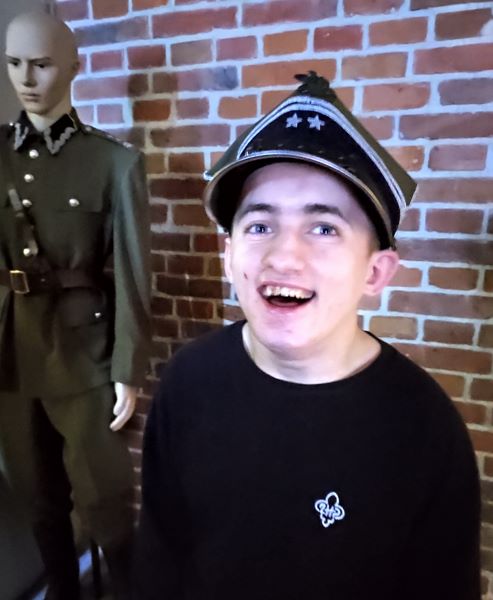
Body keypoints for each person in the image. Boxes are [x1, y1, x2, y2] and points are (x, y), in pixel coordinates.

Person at [134, 72, 480, 599]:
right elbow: (161, 556)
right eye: (259, 225)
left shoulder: (425, 430)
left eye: (323, 228)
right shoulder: (188, 380)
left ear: (375, 273)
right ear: (228, 256)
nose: (284, 257)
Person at [0, 11, 150, 600]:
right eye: (14, 63)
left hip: (84, 353)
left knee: (105, 499)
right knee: (37, 499)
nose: (26, 78)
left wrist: (127, 368)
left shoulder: (113, 162)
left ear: (73, 67)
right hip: (11, 353)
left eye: (41, 64)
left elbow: (134, 273)